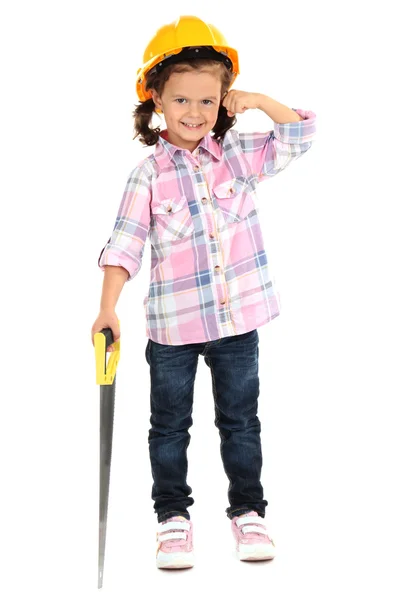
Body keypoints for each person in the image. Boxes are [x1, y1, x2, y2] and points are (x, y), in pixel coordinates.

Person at [91, 15, 317, 569]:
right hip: (173, 331)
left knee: (241, 420)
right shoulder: (148, 176)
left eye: (208, 101)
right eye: (181, 101)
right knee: (169, 426)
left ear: (224, 101)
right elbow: (125, 246)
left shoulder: (238, 156)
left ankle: (248, 513)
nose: (195, 113)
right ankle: (173, 518)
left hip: (238, 323)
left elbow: (300, 134)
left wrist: (259, 99)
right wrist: (107, 309)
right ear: (157, 102)